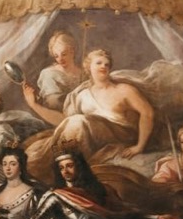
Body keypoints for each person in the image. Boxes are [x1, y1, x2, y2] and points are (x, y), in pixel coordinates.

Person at [24, 48, 155, 164]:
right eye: (99, 63)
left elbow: (147, 113)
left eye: (107, 64)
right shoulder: (82, 95)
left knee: (79, 121)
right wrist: (34, 105)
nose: (103, 66)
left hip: (119, 137)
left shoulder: (124, 90)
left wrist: (139, 146)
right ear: (88, 67)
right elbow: (64, 121)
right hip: (90, 141)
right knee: (68, 129)